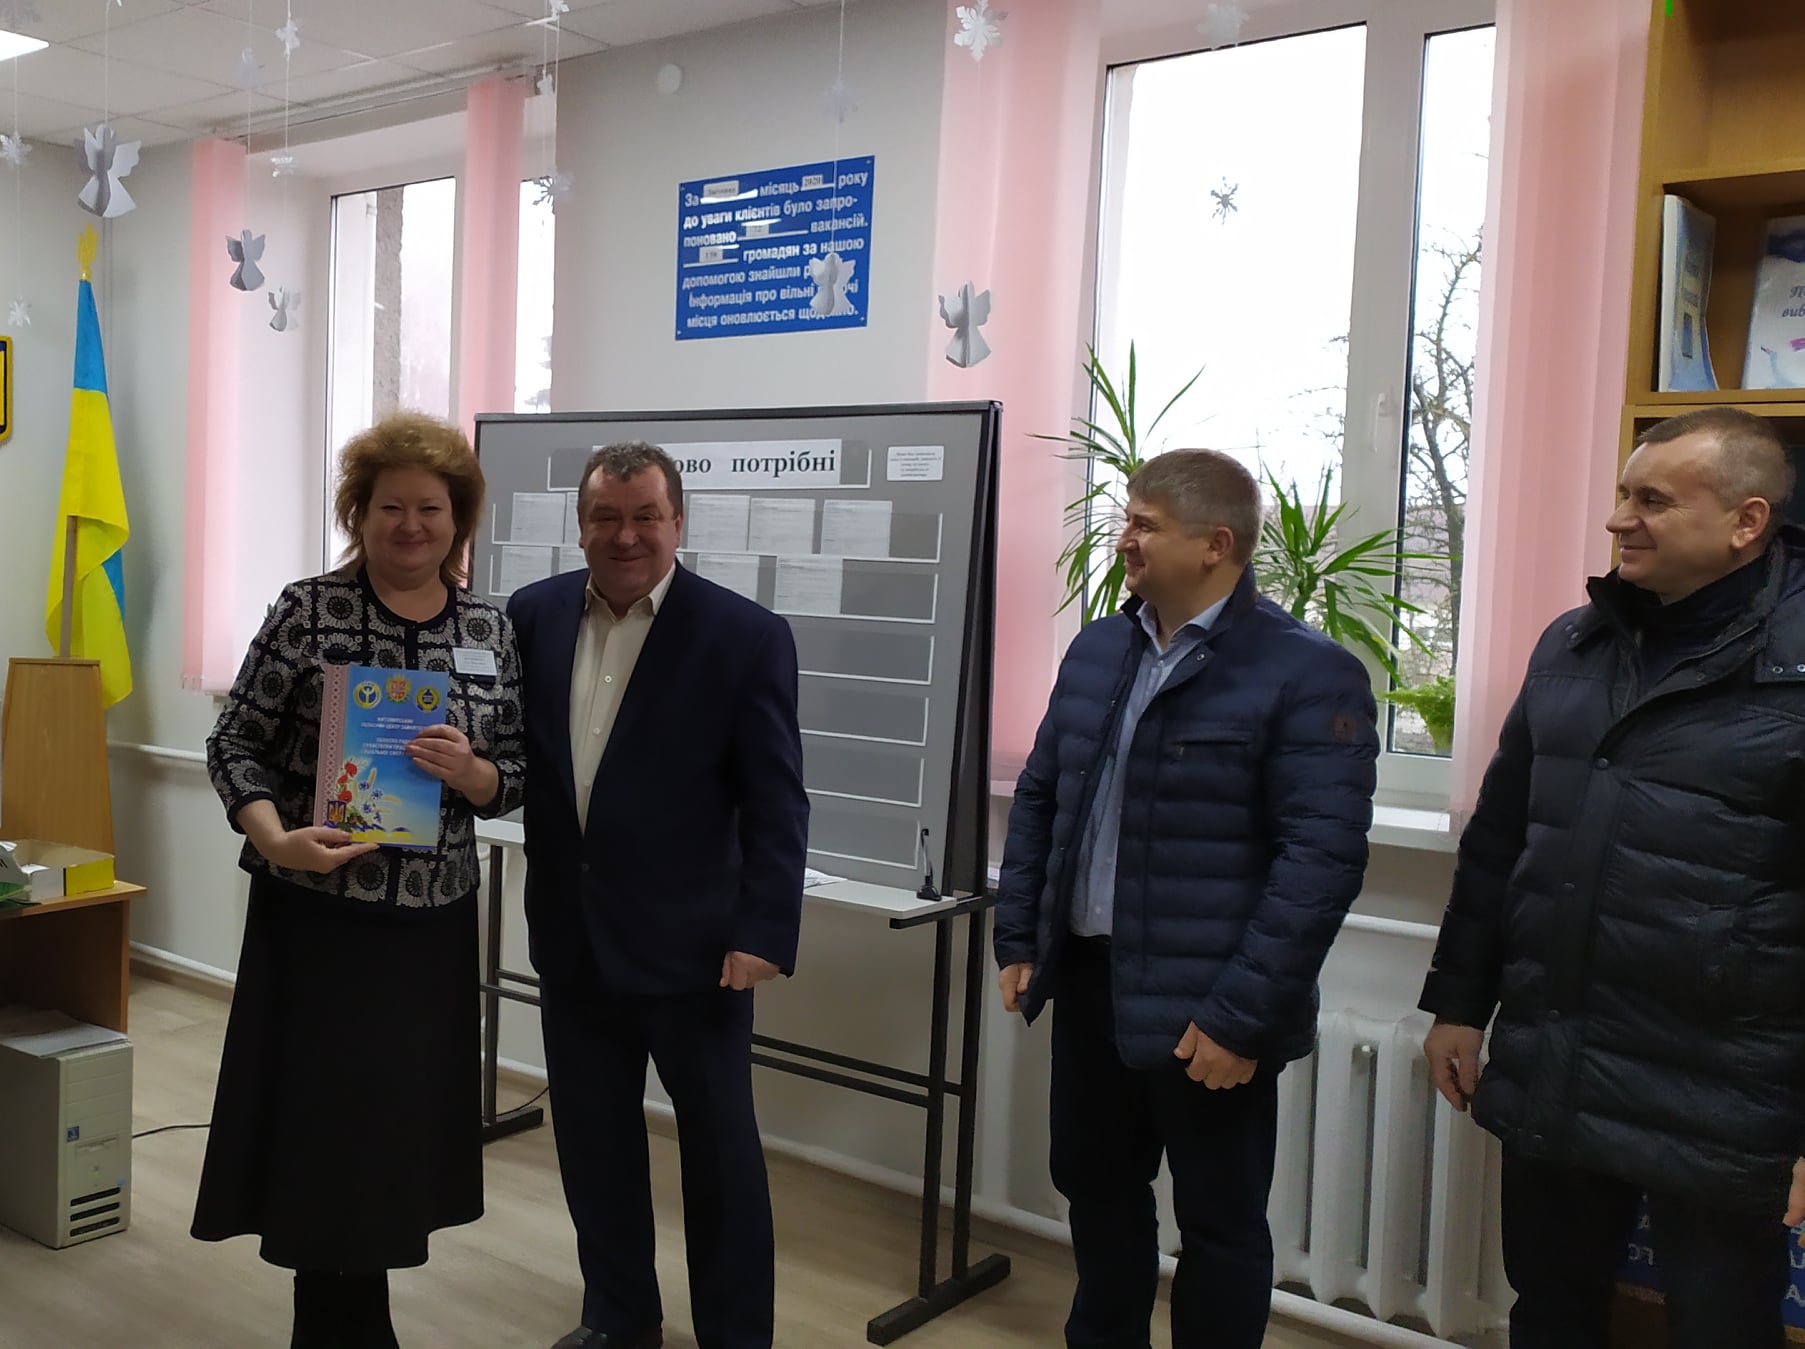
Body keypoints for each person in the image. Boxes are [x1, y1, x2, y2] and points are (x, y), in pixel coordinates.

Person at [1419, 405, 1805, 1347]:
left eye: (1651, 500)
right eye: (1621, 493)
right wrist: (1459, 1002)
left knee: (1722, 1329)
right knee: (1549, 1313)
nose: (1616, 518)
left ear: (1745, 521)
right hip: (1561, 1055)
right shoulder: (1572, 645)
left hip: (1726, 1089)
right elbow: (1502, 839)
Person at [994, 448, 1380, 1349]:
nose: (1122, 540)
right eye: (1126, 519)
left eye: (1144, 525)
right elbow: (1042, 796)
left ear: (1215, 544)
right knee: (1096, 1190)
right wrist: (1019, 935)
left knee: (1219, 1222)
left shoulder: (1306, 671)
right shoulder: (1099, 648)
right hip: (1089, 984)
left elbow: (1319, 861)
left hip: (1209, 1005)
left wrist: (1241, 1017)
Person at [194, 411, 526, 1349]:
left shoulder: (489, 627)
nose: (411, 525)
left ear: (458, 520)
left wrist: (475, 774)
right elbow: (234, 742)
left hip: (430, 926)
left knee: (391, 1126)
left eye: (431, 508)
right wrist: (275, 837)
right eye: (390, 507)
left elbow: (517, 774)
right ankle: (332, 1322)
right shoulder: (308, 609)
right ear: (359, 512)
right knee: (321, 1122)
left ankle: (363, 1308)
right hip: (316, 918)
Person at [507, 442, 809, 1349]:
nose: (625, 535)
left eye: (645, 516)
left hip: (697, 951)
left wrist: (764, 927)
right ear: (580, 525)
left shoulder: (744, 635)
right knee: (593, 1144)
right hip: (573, 939)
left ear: (678, 522)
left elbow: (776, 798)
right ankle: (619, 1317)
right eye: (605, 516)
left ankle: (734, 1335)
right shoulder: (532, 615)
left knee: (720, 1159)